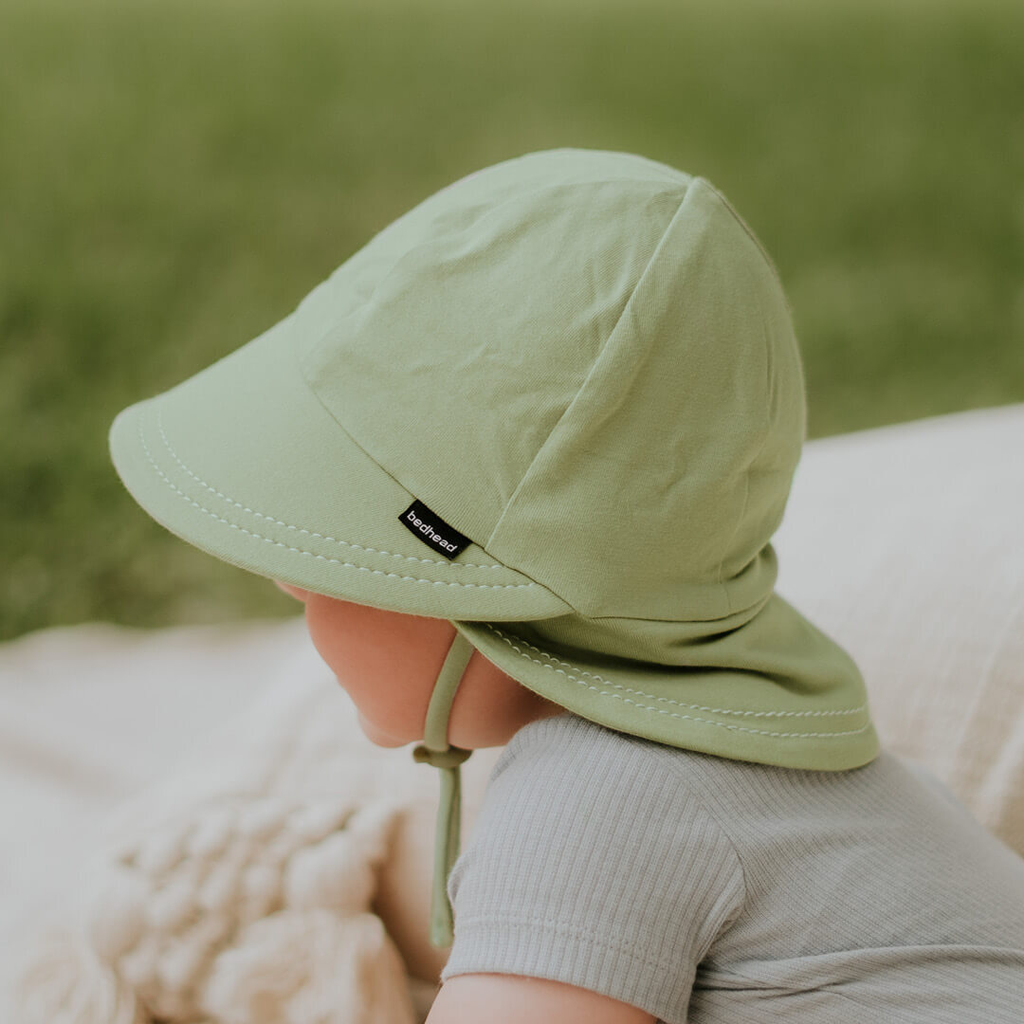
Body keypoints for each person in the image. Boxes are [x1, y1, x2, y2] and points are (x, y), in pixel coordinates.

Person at [109, 147, 1024, 1023]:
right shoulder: (825, 780)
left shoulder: (594, 804)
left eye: (323, 553)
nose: (285, 582)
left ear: (486, 592)